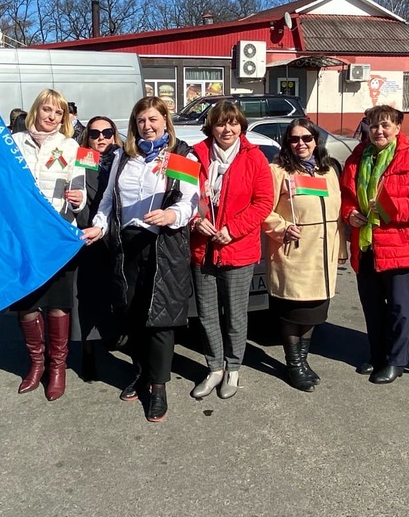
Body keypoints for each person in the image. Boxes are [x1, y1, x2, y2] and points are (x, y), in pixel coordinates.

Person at [83, 97, 198, 423]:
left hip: (163, 244)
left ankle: (159, 387)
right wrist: (99, 226)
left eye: (153, 119)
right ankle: (140, 372)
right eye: (141, 121)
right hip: (128, 246)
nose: (147, 126)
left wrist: (171, 213)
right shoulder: (122, 156)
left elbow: (191, 200)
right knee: (132, 314)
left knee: (159, 319)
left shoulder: (180, 155)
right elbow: (108, 202)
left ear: (165, 121)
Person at [340, 104, 409, 385]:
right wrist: (350, 213)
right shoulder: (357, 158)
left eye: (385, 125)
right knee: (372, 306)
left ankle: (396, 360)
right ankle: (377, 355)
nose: (378, 131)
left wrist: (391, 208)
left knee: (399, 308)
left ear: (398, 128)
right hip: (367, 244)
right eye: (373, 125)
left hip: (402, 247)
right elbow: (345, 196)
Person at [188, 100, 273, 400]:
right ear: (211, 126)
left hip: (237, 248)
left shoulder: (255, 158)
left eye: (233, 123)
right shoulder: (195, 155)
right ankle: (214, 368)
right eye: (221, 123)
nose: (227, 129)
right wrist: (196, 220)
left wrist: (232, 230)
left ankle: (233, 368)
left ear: (241, 126)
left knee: (236, 315)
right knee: (208, 314)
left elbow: (263, 202)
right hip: (202, 249)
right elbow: (184, 197)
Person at [10, 89, 86, 401]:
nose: (52, 117)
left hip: (57, 235)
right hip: (25, 236)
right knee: (27, 304)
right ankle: (37, 364)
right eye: (47, 110)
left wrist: (78, 201)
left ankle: (58, 367)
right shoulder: (14, 143)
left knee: (57, 303)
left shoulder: (70, 145)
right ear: (35, 111)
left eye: (58, 113)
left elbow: (78, 181)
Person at [263, 119, 345, 392]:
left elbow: (337, 214)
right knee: (293, 312)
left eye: (307, 138)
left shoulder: (328, 170)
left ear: (316, 140)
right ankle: (293, 364)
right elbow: (264, 210)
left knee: (313, 312)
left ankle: (302, 360)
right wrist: (282, 228)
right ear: (287, 143)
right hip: (294, 251)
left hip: (323, 253)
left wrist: (341, 248)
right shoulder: (278, 171)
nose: (301, 144)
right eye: (294, 139)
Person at [73, 115, 121, 381]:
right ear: (87, 137)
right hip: (90, 237)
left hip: (119, 238)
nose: (101, 137)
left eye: (106, 132)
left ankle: (115, 338)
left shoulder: (124, 158)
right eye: (94, 133)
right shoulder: (81, 159)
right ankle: (88, 351)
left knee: (116, 295)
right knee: (88, 298)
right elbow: (73, 187)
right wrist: (76, 200)